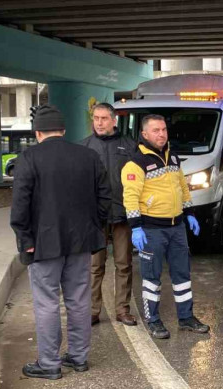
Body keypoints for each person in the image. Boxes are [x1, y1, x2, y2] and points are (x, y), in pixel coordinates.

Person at [10, 105, 112, 380]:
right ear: (64, 130)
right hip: (81, 242)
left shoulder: (29, 158)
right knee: (79, 299)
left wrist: (25, 239)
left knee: (47, 302)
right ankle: (79, 358)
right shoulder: (88, 156)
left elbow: (20, 205)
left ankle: (49, 363)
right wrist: (93, 225)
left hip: (43, 244)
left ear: (38, 132)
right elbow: (105, 197)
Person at [121, 114, 210, 339]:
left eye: (163, 130)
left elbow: (183, 187)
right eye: (155, 130)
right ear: (144, 134)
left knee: (182, 275)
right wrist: (136, 227)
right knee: (151, 278)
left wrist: (189, 213)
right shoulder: (135, 163)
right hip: (151, 229)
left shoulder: (173, 158)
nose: (161, 134)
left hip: (177, 226)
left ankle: (186, 318)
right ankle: (154, 321)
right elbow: (130, 197)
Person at [81, 103, 138, 327]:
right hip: (96, 217)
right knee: (95, 266)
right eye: (96, 118)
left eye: (104, 118)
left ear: (114, 120)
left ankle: (122, 310)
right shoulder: (84, 147)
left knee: (124, 264)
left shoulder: (130, 146)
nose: (99, 122)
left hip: (123, 214)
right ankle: (93, 311)